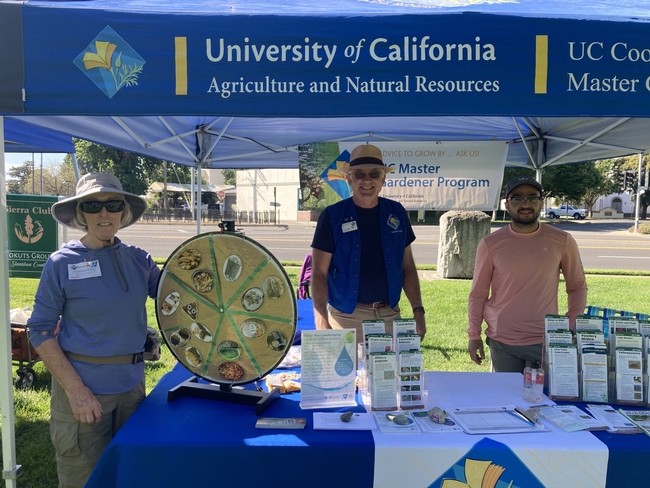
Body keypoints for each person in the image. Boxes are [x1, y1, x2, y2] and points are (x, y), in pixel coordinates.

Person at [27, 172, 161, 487]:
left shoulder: (139, 259)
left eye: (112, 204)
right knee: (84, 479)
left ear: (123, 211)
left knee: (129, 474)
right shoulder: (61, 263)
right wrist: (77, 392)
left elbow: (177, 296)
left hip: (131, 390)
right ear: (81, 213)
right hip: (85, 393)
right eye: (92, 205)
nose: (104, 213)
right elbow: (41, 331)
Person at [467, 176, 588, 373]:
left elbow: (577, 287)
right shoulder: (490, 244)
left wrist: (571, 324)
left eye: (532, 197)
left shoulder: (562, 240)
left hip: (544, 340)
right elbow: (478, 294)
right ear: (507, 204)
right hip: (502, 341)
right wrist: (473, 335)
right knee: (506, 402)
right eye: (517, 198)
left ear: (541, 203)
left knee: (544, 401)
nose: (525, 204)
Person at [310, 143, 426, 343]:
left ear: (383, 178)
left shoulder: (396, 212)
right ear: (349, 179)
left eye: (374, 174)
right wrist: (322, 322)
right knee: (348, 374)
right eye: (359, 174)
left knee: (391, 374)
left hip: (389, 315)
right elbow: (319, 273)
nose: (367, 181)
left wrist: (418, 311)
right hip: (346, 317)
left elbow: (407, 266)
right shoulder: (332, 216)